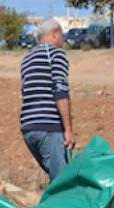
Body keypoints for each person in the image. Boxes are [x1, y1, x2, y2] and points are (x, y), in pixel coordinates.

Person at [20, 19, 75, 182]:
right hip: (49, 128)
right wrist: (68, 130)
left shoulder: (27, 59)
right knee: (62, 184)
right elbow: (60, 91)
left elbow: (25, 91)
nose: (62, 41)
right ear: (54, 34)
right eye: (61, 36)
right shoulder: (55, 55)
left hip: (28, 128)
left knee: (55, 178)